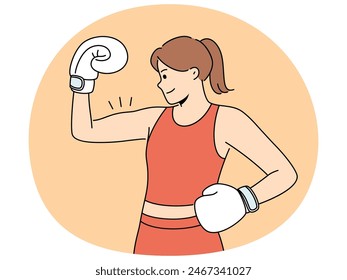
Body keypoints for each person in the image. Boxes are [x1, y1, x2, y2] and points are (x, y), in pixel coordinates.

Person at [69, 35, 298, 255]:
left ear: (193, 73)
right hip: (149, 234)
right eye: (160, 77)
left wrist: (244, 200)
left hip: (198, 234)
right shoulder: (154, 119)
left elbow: (285, 173)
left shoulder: (226, 120)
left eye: (165, 76)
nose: (160, 84)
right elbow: (85, 130)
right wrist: (82, 81)